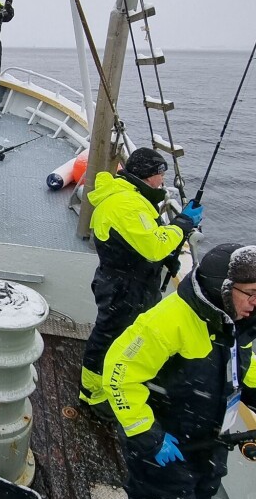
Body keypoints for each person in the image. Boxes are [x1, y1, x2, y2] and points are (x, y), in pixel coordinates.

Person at [103, 243, 256, 499]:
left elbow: (243, 366)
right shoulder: (167, 322)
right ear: (222, 288)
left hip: (209, 446)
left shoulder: (233, 322)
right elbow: (118, 374)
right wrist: (147, 435)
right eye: (251, 293)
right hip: (165, 447)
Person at [79, 148, 203, 418]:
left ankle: (117, 386)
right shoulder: (127, 204)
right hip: (123, 287)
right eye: (160, 174)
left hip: (129, 282)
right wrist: (182, 224)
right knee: (108, 337)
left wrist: (168, 259)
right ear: (149, 176)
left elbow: (144, 238)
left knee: (123, 337)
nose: (162, 181)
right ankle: (92, 394)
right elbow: (154, 246)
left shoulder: (132, 197)